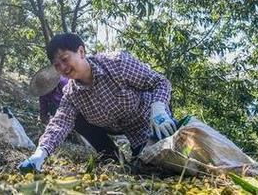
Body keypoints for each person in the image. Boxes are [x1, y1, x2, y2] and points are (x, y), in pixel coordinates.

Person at [18, 33, 177, 172]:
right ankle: (111, 156)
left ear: (81, 52)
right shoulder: (71, 94)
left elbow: (160, 82)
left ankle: (156, 140)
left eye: (65, 59)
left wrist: (158, 109)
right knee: (76, 120)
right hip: (111, 126)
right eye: (57, 65)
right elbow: (59, 123)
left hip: (146, 120)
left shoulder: (117, 63)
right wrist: (41, 152)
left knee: (155, 164)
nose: (63, 68)